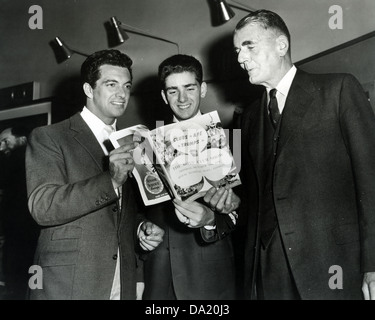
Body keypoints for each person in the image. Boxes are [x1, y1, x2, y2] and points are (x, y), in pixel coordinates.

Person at [233, 9, 375, 300]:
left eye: (249, 46)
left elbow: (371, 181)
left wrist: (373, 263)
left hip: (332, 265)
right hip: (268, 271)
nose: (240, 58)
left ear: (281, 45)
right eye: (237, 50)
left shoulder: (338, 90)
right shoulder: (248, 118)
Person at [25, 49, 164, 300]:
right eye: (111, 85)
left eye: (127, 85)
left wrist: (140, 228)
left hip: (122, 281)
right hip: (70, 284)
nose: (122, 94)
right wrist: (110, 180)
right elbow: (42, 206)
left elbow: (119, 213)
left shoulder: (132, 140)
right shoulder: (50, 137)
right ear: (89, 90)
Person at [142, 54, 240, 300]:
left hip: (209, 277)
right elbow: (138, 209)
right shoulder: (146, 147)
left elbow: (248, 212)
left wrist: (211, 220)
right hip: (159, 279)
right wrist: (140, 229)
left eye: (189, 88)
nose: (182, 99)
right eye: (173, 91)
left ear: (203, 89)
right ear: (164, 96)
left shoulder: (233, 139)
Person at [0, 126, 39, 299]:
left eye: (5, 141)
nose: (1, 147)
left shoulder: (22, 164)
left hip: (24, 236)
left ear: (22, 140)